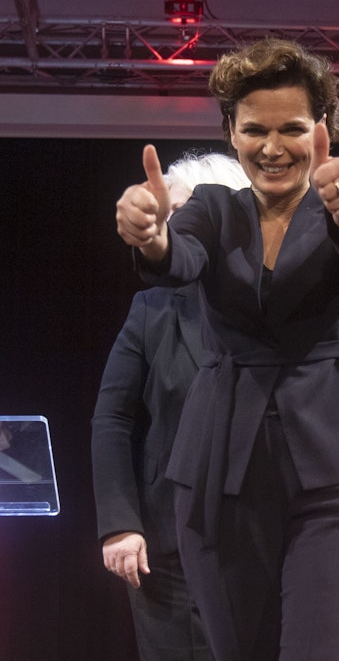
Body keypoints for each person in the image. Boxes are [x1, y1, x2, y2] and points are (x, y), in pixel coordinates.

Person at [114, 38, 339, 661]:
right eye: (254, 130)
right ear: (231, 131)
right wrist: (152, 237)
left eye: (292, 128)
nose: (272, 147)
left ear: (320, 130)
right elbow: (179, 258)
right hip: (220, 472)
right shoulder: (213, 211)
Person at [92, 152, 249, 661]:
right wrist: (120, 522)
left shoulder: (270, 301)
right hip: (167, 544)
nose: (170, 224)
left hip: (261, 533)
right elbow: (113, 418)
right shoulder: (151, 307)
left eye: (183, 210)